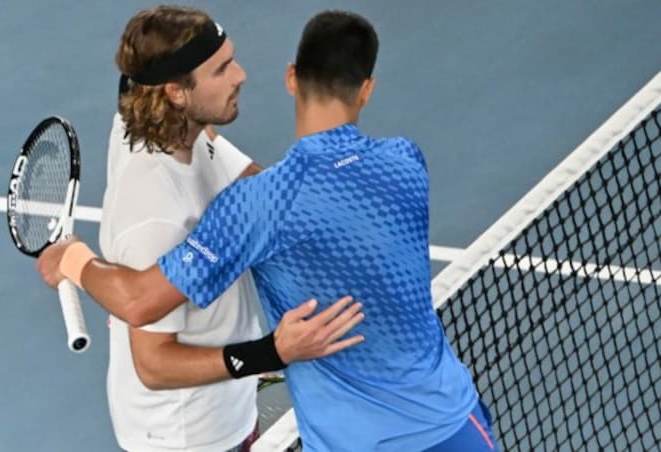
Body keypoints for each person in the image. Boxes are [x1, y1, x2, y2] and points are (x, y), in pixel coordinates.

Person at [39, 9, 499, 452]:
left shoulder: (251, 201)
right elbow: (142, 316)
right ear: (367, 89)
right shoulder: (405, 159)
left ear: (292, 77)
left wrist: (74, 261)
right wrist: (76, 260)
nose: (241, 75)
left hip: (333, 437)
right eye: (222, 69)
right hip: (453, 423)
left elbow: (245, 189)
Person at [90, 6, 364, 452]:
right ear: (177, 92)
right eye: (221, 69)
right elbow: (154, 364)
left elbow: (236, 169)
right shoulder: (155, 216)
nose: (241, 75)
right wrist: (269, 353)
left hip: (227, 407)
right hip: (191, 438)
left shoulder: (164, 120)